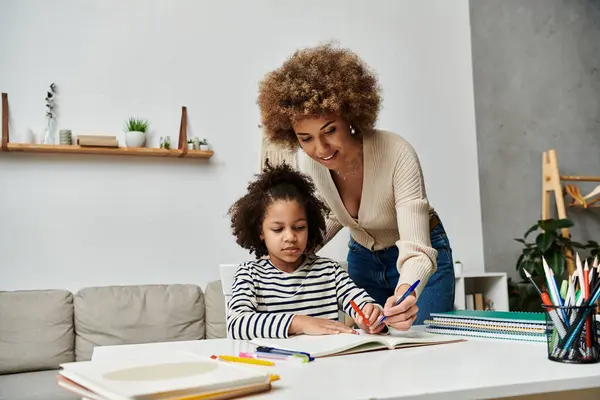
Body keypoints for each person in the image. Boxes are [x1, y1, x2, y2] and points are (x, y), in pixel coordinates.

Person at [256, 43, 455, 328]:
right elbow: (333, 214)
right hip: (362, 259)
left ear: (349, 116)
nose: (320, 148)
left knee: (424, 342)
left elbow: (416, 248)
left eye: (330, 131)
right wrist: (282, 250)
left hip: (419, 256)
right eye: (305, 138)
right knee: (368, 347)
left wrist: (405, 291)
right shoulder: (312, 164)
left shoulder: (397, 153)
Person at [226, 161, 386, 340]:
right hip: (275, 365)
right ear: (261, 232)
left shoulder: (329, 272)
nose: (290, 237)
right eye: (278, 229)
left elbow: (361, 303)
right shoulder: (250, 275)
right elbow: (236, 324)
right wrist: (300, 323)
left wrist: (371, 314)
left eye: (299, 227)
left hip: (326, 364)